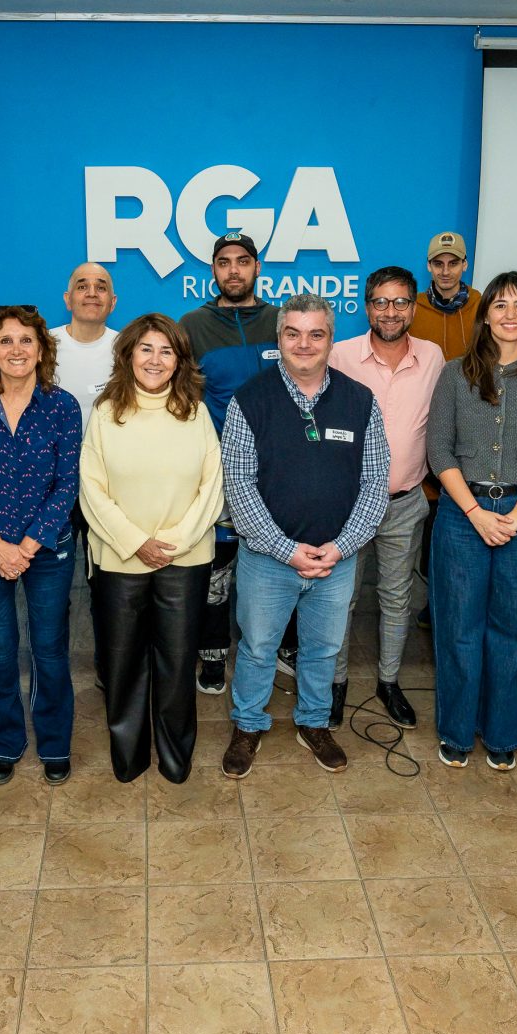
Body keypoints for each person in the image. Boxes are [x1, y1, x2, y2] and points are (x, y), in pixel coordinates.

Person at [218, 294, 389, 779]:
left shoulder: (360, 402)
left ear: (331, 340)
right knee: (257, 648)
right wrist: (288, 550)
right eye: (293, 333)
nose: (304, 343)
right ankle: (249, 723)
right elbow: (239, 486)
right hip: (269, 560)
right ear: (279, 340)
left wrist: (341, 546)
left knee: (324, 649)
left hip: (337, 560)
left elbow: (376, 483)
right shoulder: (249, 401)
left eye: (316, 334)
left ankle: (313, 723)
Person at [427, 272, 517, 771]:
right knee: (458, 627)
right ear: (484, 314)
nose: (510, 314)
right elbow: (437, 450)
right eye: (500, 305)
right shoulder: (454, 373)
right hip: (461, 516)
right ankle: (456, 731)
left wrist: (513, 516)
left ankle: (505, 733)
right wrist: (475, 513)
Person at [80, 314, 223, 782]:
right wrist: (137, 542)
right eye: (146, 349)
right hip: (120, 558)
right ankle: (129, 757)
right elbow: (91, 490)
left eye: (166, 351)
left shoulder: (196, 412)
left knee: (177, 663)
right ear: (128, 355)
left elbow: (213, 487)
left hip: (185, 560)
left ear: (180, 359)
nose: (156, 360)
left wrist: (174, 543)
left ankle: (175, 758)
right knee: (122, 664)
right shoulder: (105, 413)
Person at [0, 304, 83, 784]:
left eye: (26, 340)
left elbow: (67, 484)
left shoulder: (62, 405)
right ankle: (4, 744)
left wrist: (25, 547)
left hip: (46, 551)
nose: (16, 349)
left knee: (49, 649)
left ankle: (54, 744)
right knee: (1, 650)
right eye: (5, 340)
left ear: (42, 348)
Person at [330, 264, 445, 728]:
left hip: (405, 502)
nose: (390, 311)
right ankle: (335, 685)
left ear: (413, 307)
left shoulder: (434, 357)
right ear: (366, 307)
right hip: (348, 505)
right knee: (341, 599)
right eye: (380, 302)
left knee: (397, 599)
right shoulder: (340, 355)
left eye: (400, 302)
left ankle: (389, 681)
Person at [178, 231, 280, 695]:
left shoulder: (282, 321)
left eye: (243, 261)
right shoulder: (191, 325)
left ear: (257, 267)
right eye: (224, 262)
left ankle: (280, 647)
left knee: (277, 564)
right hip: (218, 472)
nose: (234, 270)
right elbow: (182, 399)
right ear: (213, 270)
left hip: (280, 472)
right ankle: (213, 654)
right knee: (216, 569)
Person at [52, 261, 120, 420]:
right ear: (67, 299)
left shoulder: (126, 347)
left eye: (101, 288)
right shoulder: (43, 344)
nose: (92, 293)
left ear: (113, 303)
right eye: (82, 287)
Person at [410, 231, 481, 365]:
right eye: (438, 264)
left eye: (453, 264)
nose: (445, 272)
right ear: (429, 266)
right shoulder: (412, 307)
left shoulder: (481, 305)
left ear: (464, 264)